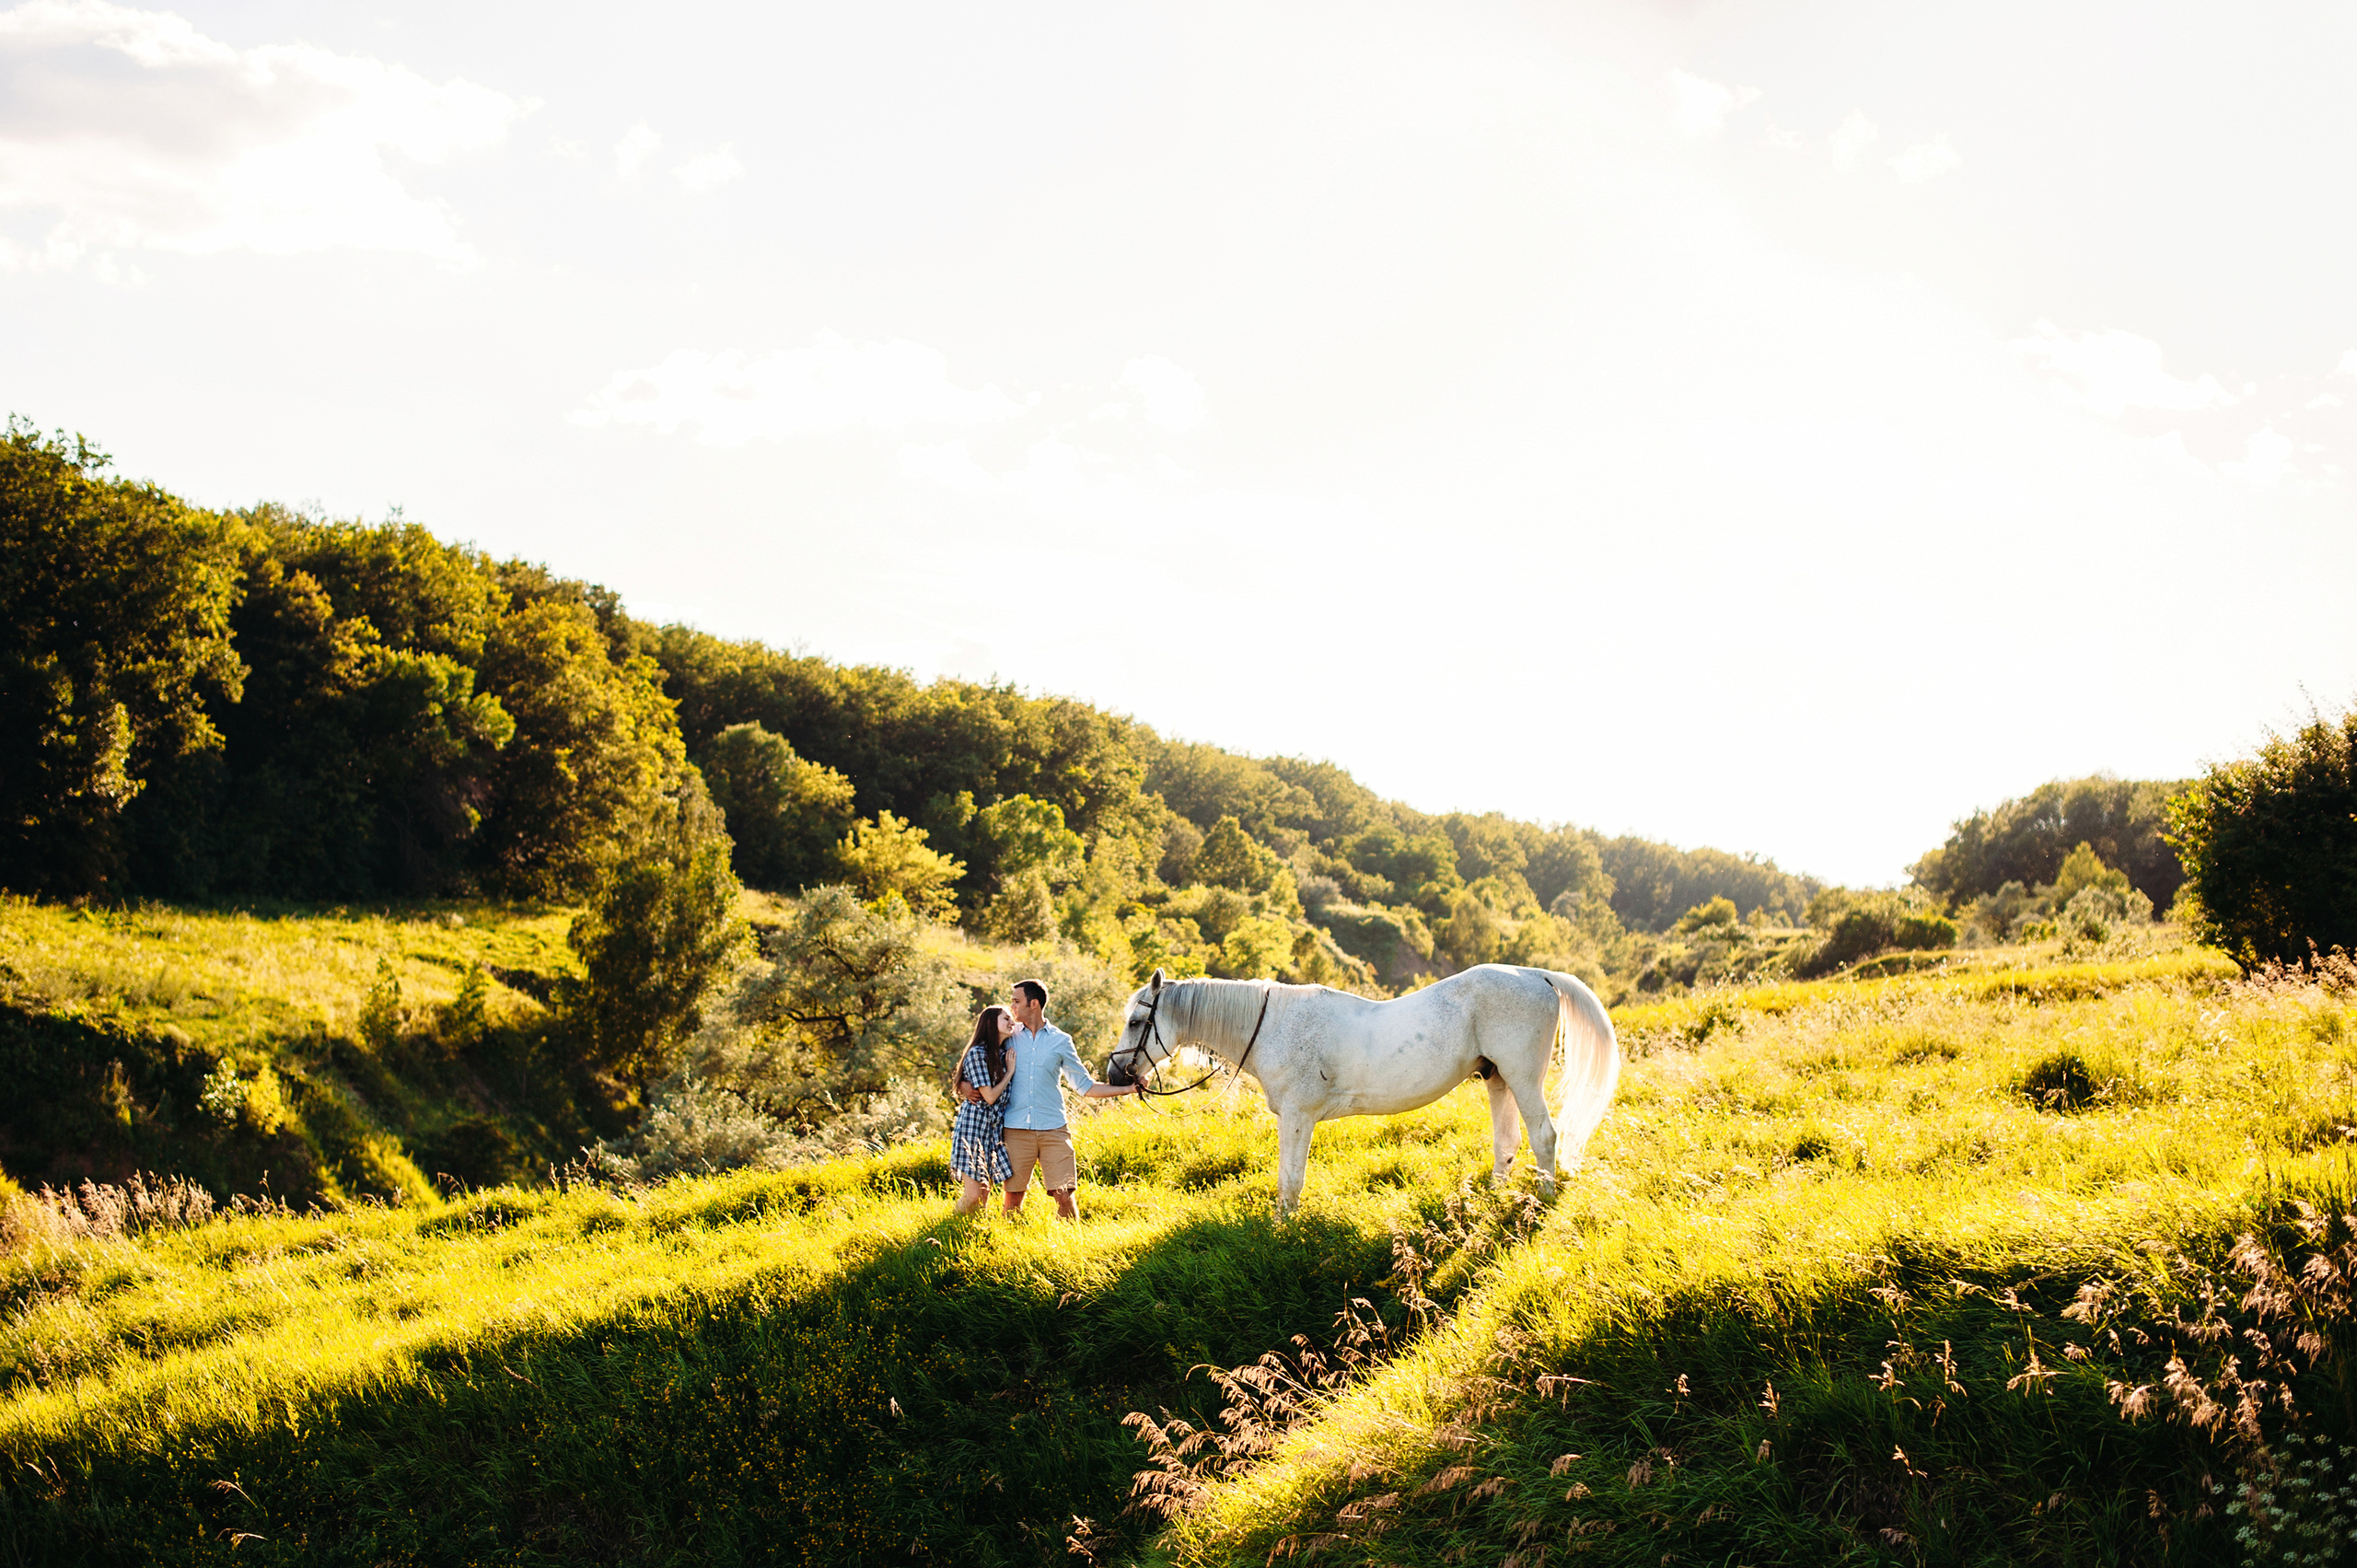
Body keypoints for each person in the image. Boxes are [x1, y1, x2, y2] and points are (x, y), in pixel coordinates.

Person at [970, 978, 1136, 1220]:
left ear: (1033, 1003)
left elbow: (1085, 1086)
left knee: (1064, 1195)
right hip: (1015, 1129)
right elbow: (975, 1056)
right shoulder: (1008, 1034)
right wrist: (964, 1086)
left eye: (1016, 1001)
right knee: (1013, 1198)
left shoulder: (1061, 1040)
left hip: (1054, 1129)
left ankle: (1073, 1248)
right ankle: (1009, 1248)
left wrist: (1129, 1089)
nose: (1011, 1007)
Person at [949, 1005, 1019, 1214]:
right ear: (991, 1023)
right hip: (973, 1128)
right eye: (1005, 1018)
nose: (1011, 1023)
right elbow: (989, 1097)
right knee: (972, 1196)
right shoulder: (978, 1053)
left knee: (984, 1193)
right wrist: (1010, 1073)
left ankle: (975, 1231)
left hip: (992, 1131)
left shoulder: (1001, 1053)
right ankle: (951, 1226)